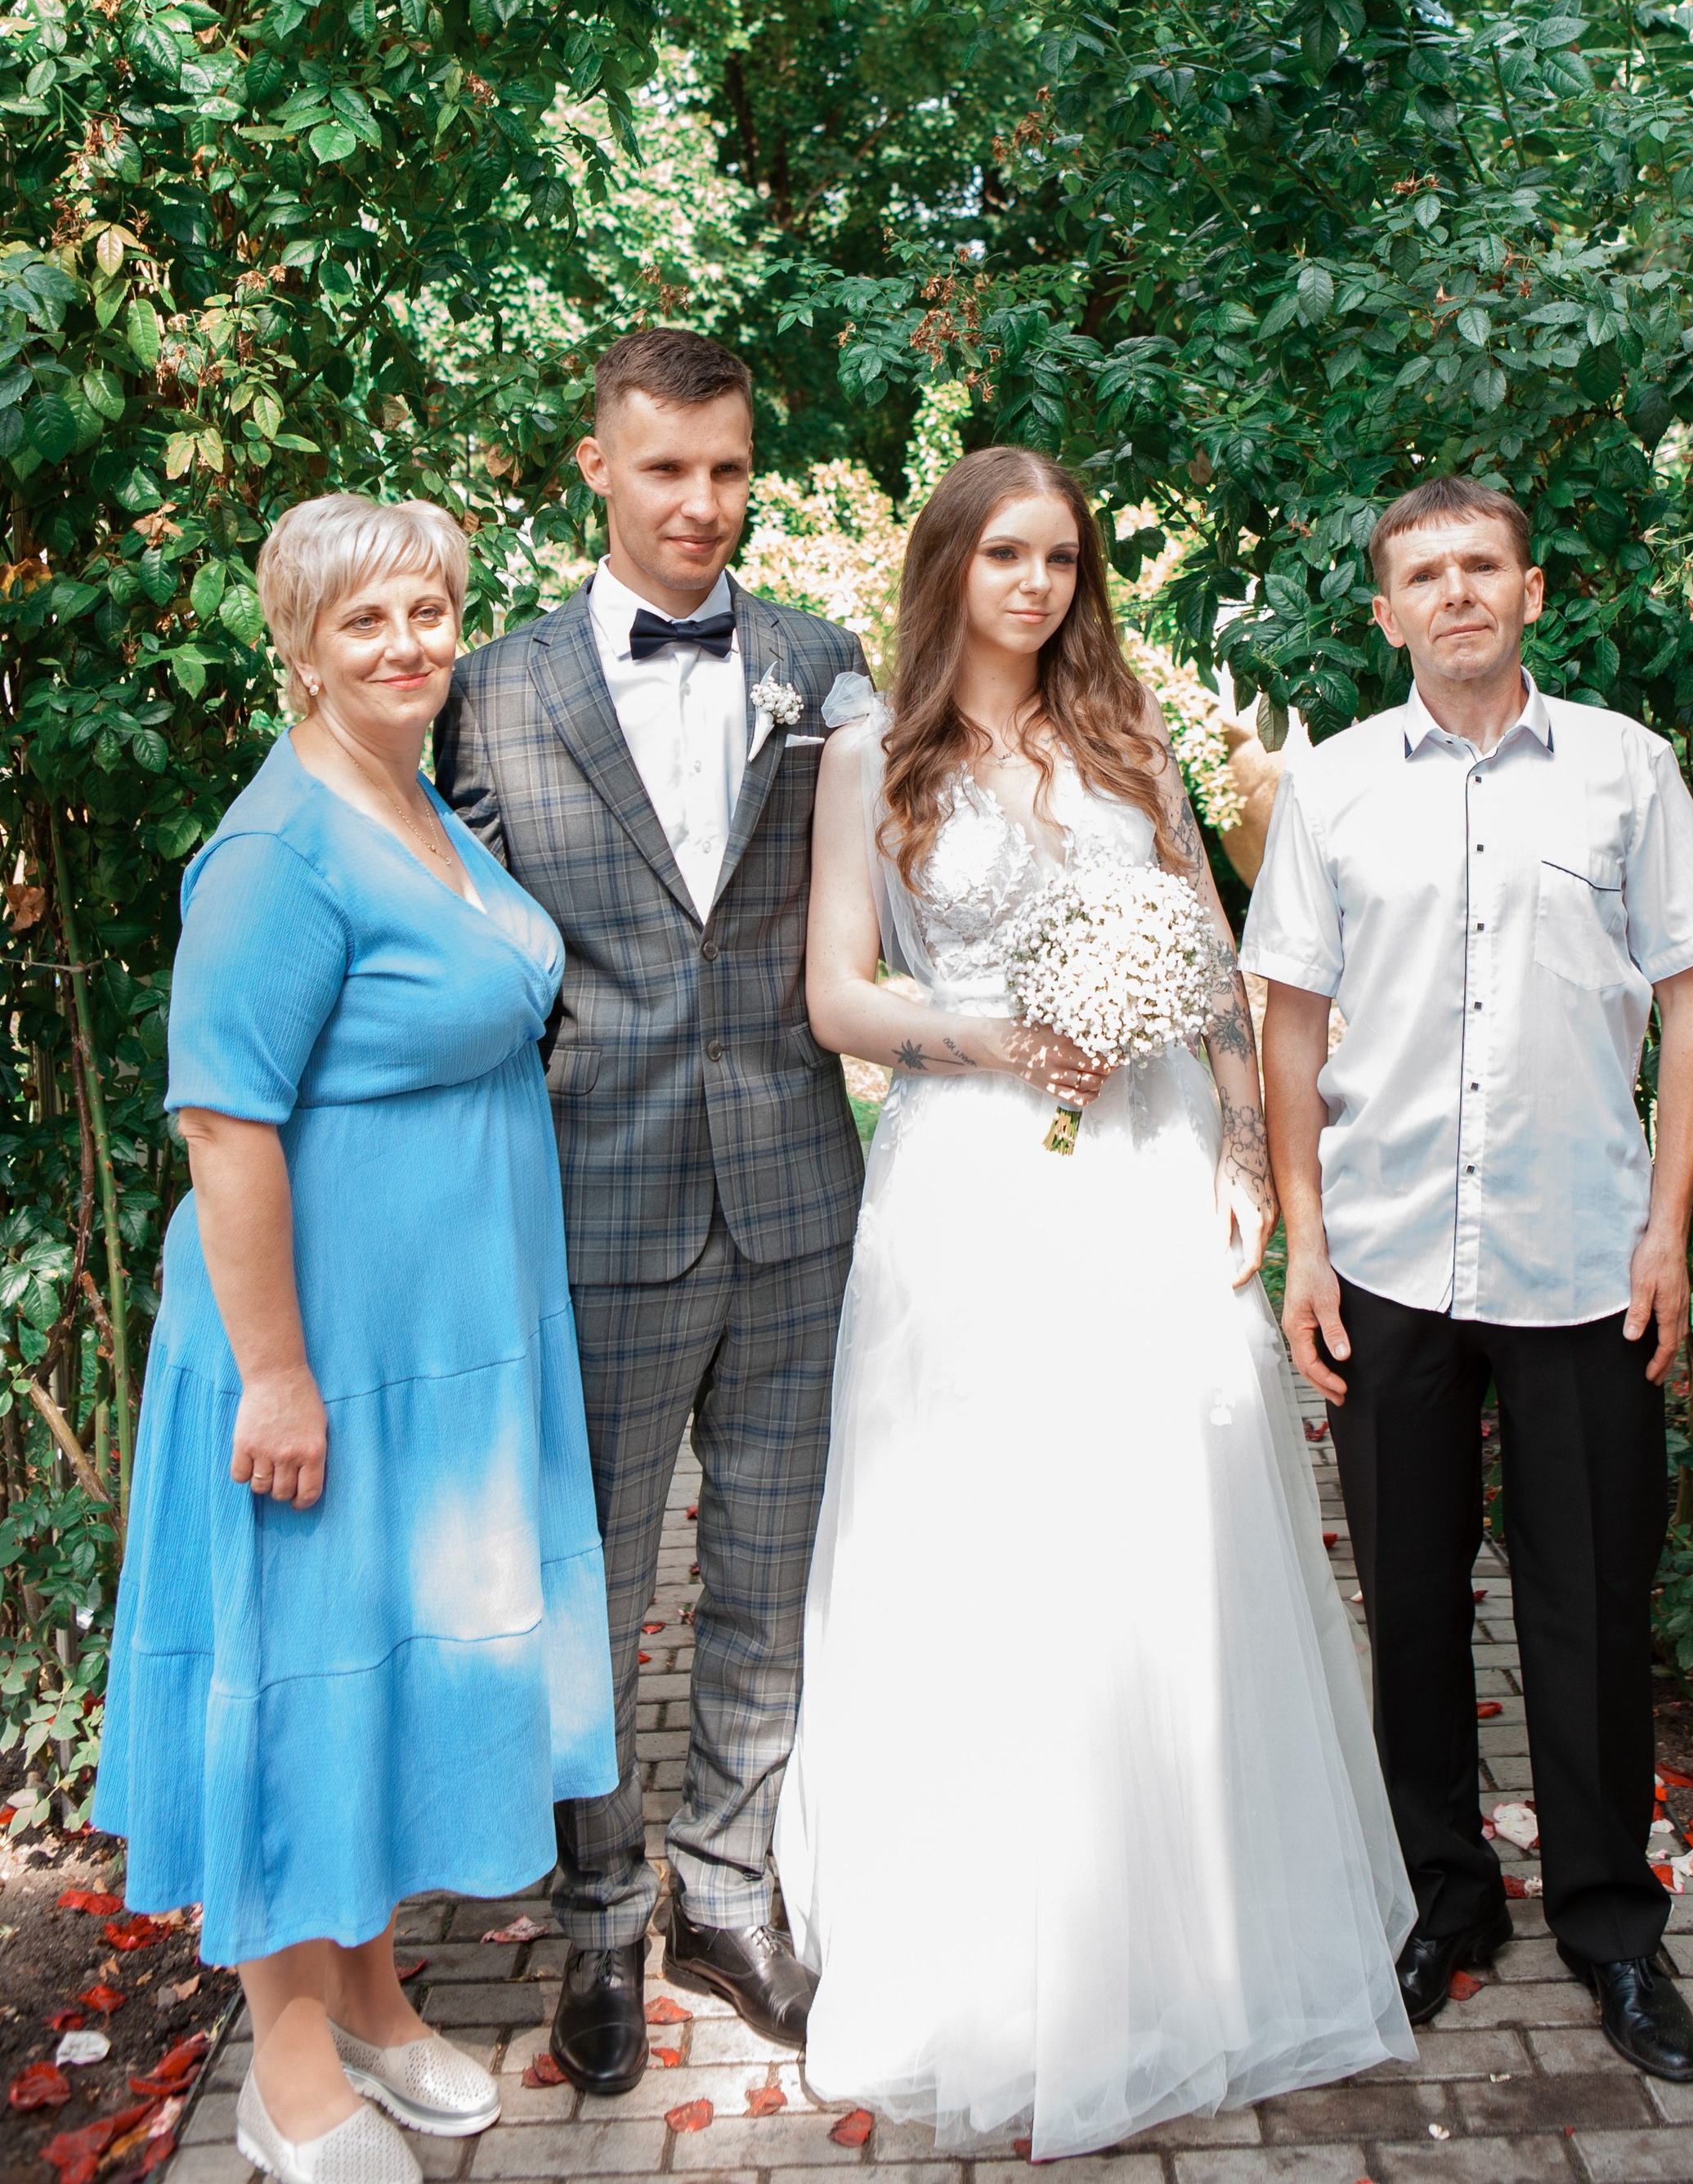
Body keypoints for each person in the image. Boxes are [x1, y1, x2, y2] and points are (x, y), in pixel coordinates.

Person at [775, 446, 1415, 2160]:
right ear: (946, 569)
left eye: (1060, 556)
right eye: (1004, 554)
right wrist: (996, 1035)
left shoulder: (1127, 739)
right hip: (971, 1181)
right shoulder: (870, 758)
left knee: (1164, 1532)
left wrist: (1227, 1145)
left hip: (1142, 1178)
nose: (1036, 585)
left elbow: (1214, 964)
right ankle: (997, 1963)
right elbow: (839, 995)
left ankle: (1193, 1943)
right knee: (989, 1544)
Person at [95, 493, 618, 2184]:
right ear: (298, 644)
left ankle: (380, 1998)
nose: (406, 645)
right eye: (363, 622)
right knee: (298, 1679)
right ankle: (290, 2061)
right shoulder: (277, 849)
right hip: (310, 1350)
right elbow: (223, 1126)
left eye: (425, 611)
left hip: (438, 1346)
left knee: (387, 1673)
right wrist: (274, 1372)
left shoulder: (406, 800)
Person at [1243, 473, 1693, 2087]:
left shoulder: (1625, 769)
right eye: (1420, 572)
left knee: (1590, 1604)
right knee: (1404, 1601)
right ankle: (1441, 1898)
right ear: (1384, 612)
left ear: (1530, 590)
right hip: (1387, 1259)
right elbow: (1290, 1026)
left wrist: (1664, 1224)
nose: (1452, 590)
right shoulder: (1324, 793)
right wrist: (1302, 1237)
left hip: (1580, 1263)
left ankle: (1610, 1926)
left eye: (1478, 565)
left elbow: (1689, 1002)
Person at [434, 330, 867, 2095]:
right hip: (590, 1200)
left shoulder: (821, 665)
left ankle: (727, 1885)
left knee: (767, 1574)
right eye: (667, 468)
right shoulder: (493, 690)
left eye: (730, 469)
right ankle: (601, 1908)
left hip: (791, 1192)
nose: (703, 503)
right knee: (593, 1588)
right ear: (596, 468)